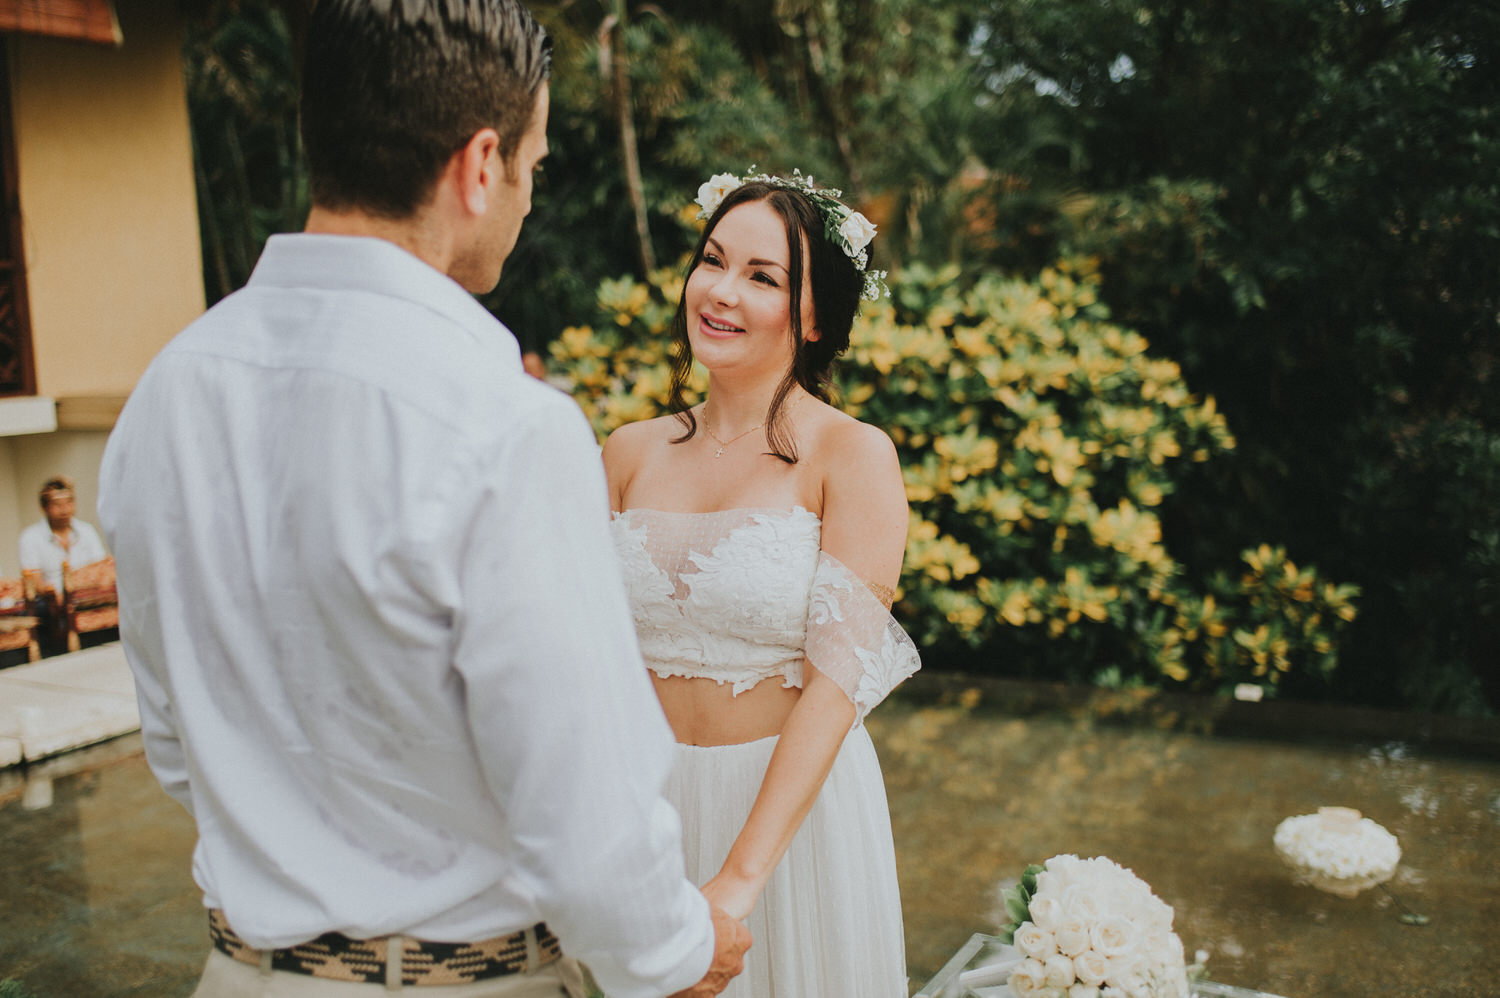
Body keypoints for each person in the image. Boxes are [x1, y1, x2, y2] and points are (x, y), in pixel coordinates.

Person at [98, 3, 748, 997]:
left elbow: (180, 743)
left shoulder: (167, 394)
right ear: (478, 165)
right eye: (531, 166)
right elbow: (581, 804)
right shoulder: (505, 423)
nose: (528, 199)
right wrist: (681, 946)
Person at [602, 170, 921, 997]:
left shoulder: (852, 457)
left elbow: (838, 682)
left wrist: (738, 881)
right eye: (713, 260)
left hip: (791, 827)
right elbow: (584, 659)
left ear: (813, 317)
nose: (720, 292)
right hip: (645, 814)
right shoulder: (628, 453)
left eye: (762, 277)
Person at [18, 476, 109, 593]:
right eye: (57, 504)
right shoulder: (30, 537)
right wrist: (55, 596)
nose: (64, 509)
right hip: (49, 600)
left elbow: (100, 567)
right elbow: (34, 580)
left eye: (69, 502)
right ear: (44, 507)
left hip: (87, 593)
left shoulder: (87, 530)